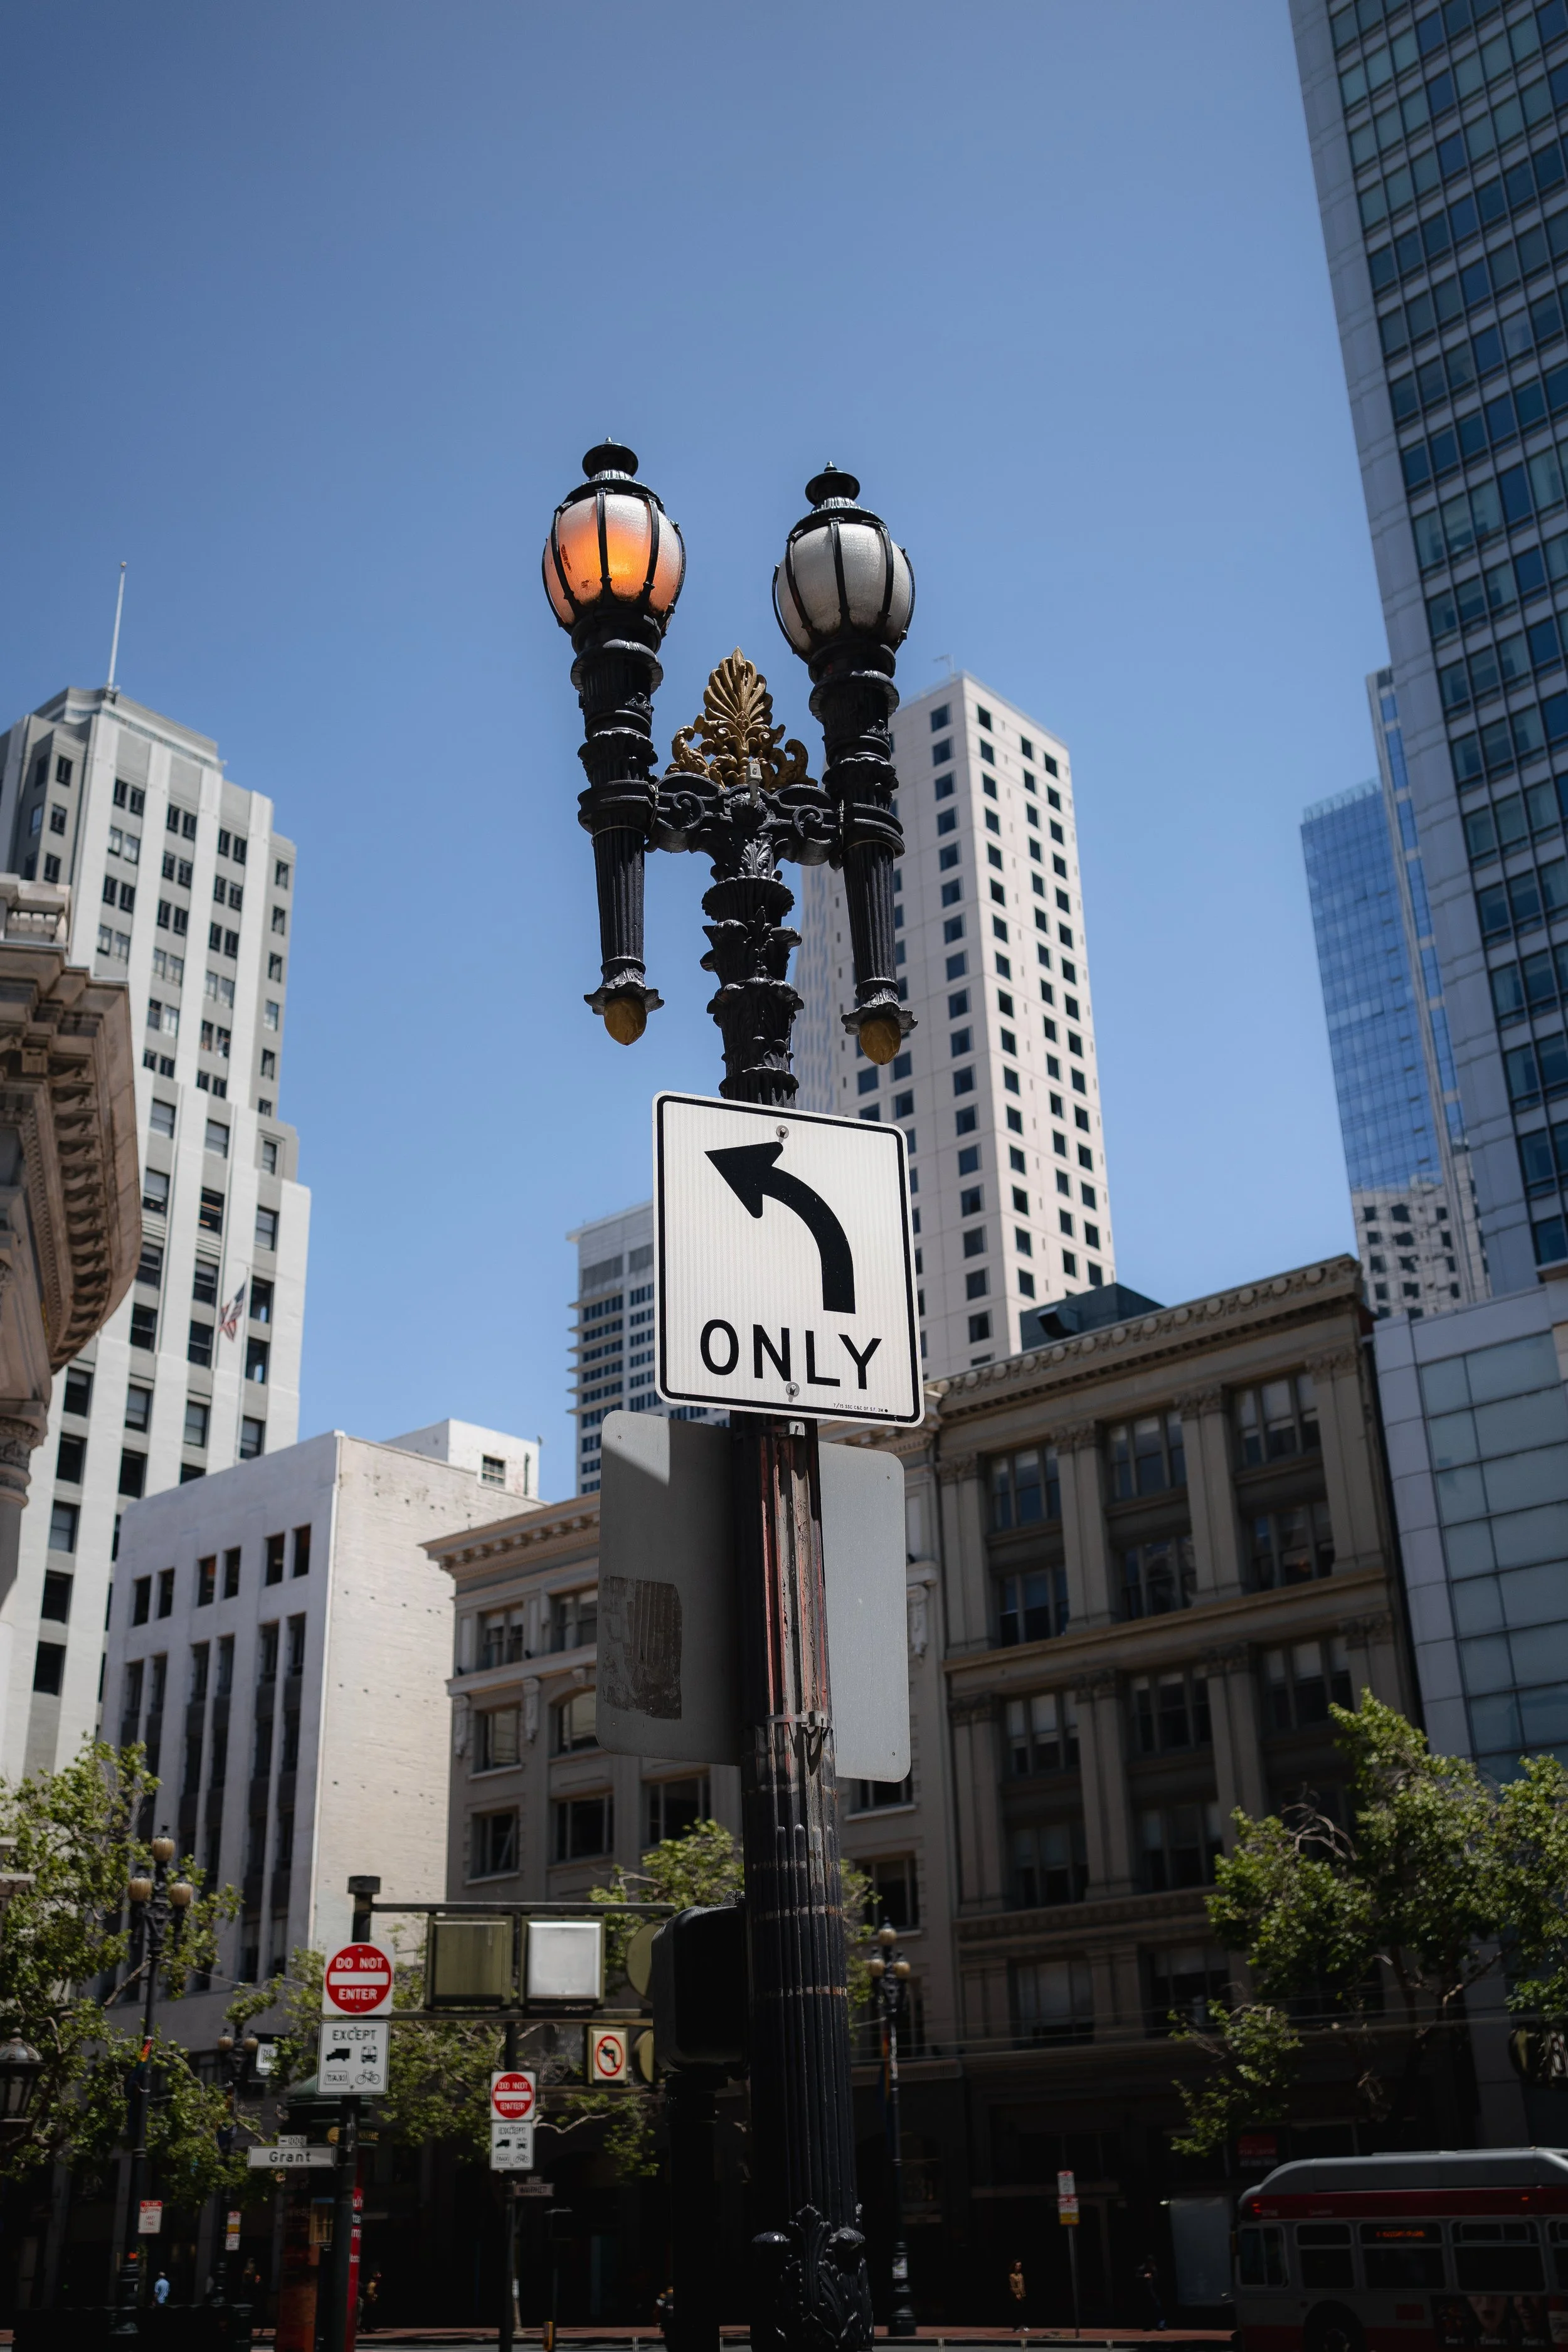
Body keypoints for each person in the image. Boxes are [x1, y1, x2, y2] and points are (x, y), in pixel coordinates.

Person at [1136, 2255, 1165, 2331]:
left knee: (1158, 2309)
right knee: (1148, 2310)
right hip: (1146, 2293)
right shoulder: (1142, 2269)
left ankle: (1160, 2325)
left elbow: (1157, 2278)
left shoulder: (1154, 2269)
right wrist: (1146, 2276)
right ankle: (1148, 2326)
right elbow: (1137, 2277)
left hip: (1154, 2292)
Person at [1009, 2255, 1026, 2323]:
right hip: (1015, 2295)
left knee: (1022, 2310)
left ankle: (1022, 2324)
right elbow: (1012, 2286)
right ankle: (1016, 2325)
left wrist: (1023, 2293)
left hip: (1022, 2294)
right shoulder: (1012, 2276)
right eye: (1017, 2266)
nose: (1018, 2268)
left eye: (1020, 2266)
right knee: (1016, 2310)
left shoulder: (1021, 2275)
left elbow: (1023, 2285)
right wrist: (1016, 2294)